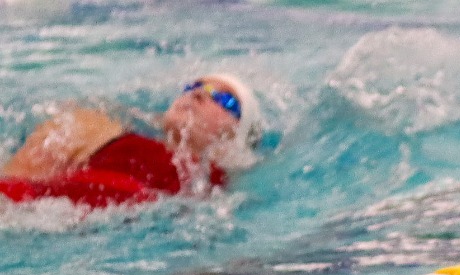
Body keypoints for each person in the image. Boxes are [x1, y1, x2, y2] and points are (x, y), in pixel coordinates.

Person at [1, 73, 263, 209]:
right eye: (193, 86)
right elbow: (21, 181)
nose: (197, 95)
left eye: (224, 99)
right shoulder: (99, 129)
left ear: (238, 136)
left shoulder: (224, 189)